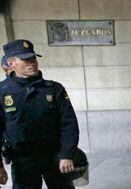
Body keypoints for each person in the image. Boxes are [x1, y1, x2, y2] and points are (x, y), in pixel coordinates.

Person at [0, 39, 80, 189]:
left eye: (33, 58)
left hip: (54, 157)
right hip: (22, 160)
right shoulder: (3, 92)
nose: (32, 62)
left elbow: (69, 124)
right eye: (25, 59)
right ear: (11, 63)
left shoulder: (54, 89)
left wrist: (67, 154)